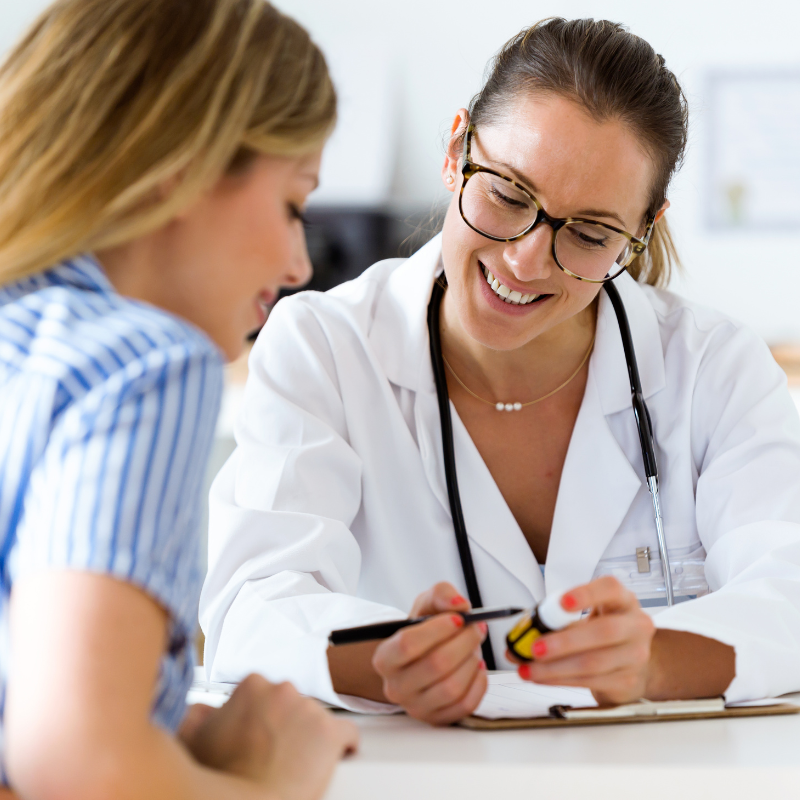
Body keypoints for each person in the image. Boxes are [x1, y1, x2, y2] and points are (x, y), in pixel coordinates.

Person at [200, 18, 800, 726]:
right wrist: (390, 665)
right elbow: (252, 606)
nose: (525, 260)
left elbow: (789, 585)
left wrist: (655, 662)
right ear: (457, 151)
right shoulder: (324, 349)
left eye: (589, 232)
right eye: (510, 195)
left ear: (641, 227)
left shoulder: (710, 366)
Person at [0, 0, 358, 797]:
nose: (301, 262)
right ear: (184, 167)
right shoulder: (144, 365)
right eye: (293, 204)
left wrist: (159, 731)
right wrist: (274, 783)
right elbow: (80, 759)